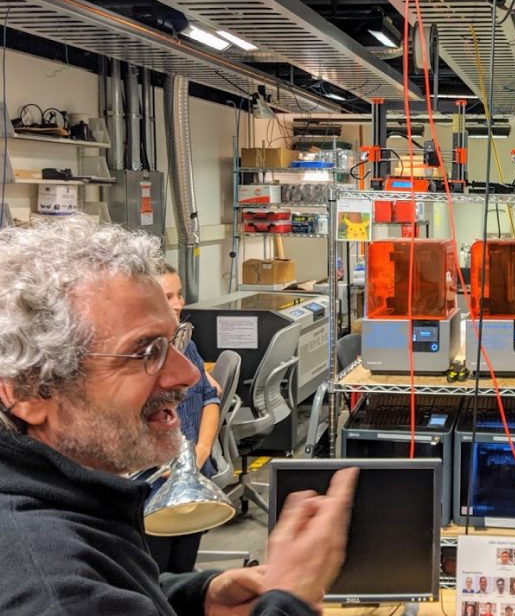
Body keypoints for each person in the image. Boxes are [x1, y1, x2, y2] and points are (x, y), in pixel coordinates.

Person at [0, 214, 358, 615]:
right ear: (30, 391)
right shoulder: (49, 590)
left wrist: (198, 597)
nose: (187, 375)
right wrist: (290, 597)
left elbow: (110, 587)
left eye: (174, 341)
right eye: (144, 352)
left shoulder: (66, 500)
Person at [144, 263, 222, 574]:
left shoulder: (185, 345)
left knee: (183, 569)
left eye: (179, 295)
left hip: (190, 482)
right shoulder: (140, 361)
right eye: (168, 296)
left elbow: (209, 396)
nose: (179, 304)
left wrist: (200, 454)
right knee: (156, 575)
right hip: (153, 493)